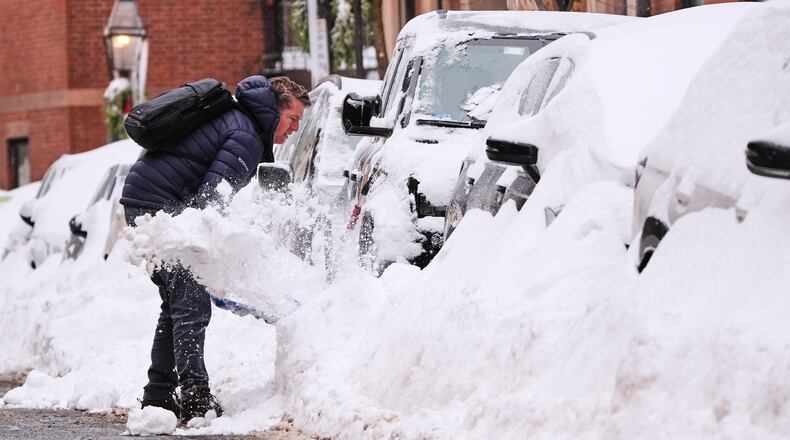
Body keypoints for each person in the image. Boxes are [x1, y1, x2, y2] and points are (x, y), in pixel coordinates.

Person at [119, 75, 310, 422]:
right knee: (192, 303)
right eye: (293, 119)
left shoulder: (239, 122)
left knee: (178, 303)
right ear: (274, 112)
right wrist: (214, 252)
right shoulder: (247, 136)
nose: (295, 129)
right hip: (158, 205)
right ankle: (195, 398)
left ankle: (159, 395)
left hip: (147, 201)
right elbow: (211, 201)